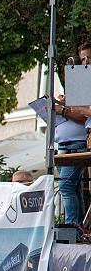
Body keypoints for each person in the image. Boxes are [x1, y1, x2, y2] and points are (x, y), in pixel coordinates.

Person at [53, 43, 91, 226]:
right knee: (73, 187)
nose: (85, 63)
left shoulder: (85, 86)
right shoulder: (78, 87)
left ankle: (72, 226)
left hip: (78, 143)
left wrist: (64, 110)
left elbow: (82, 114)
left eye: (88, 59)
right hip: (64, 145)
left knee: (66, 186)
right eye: (83, 59)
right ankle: (78, 228)